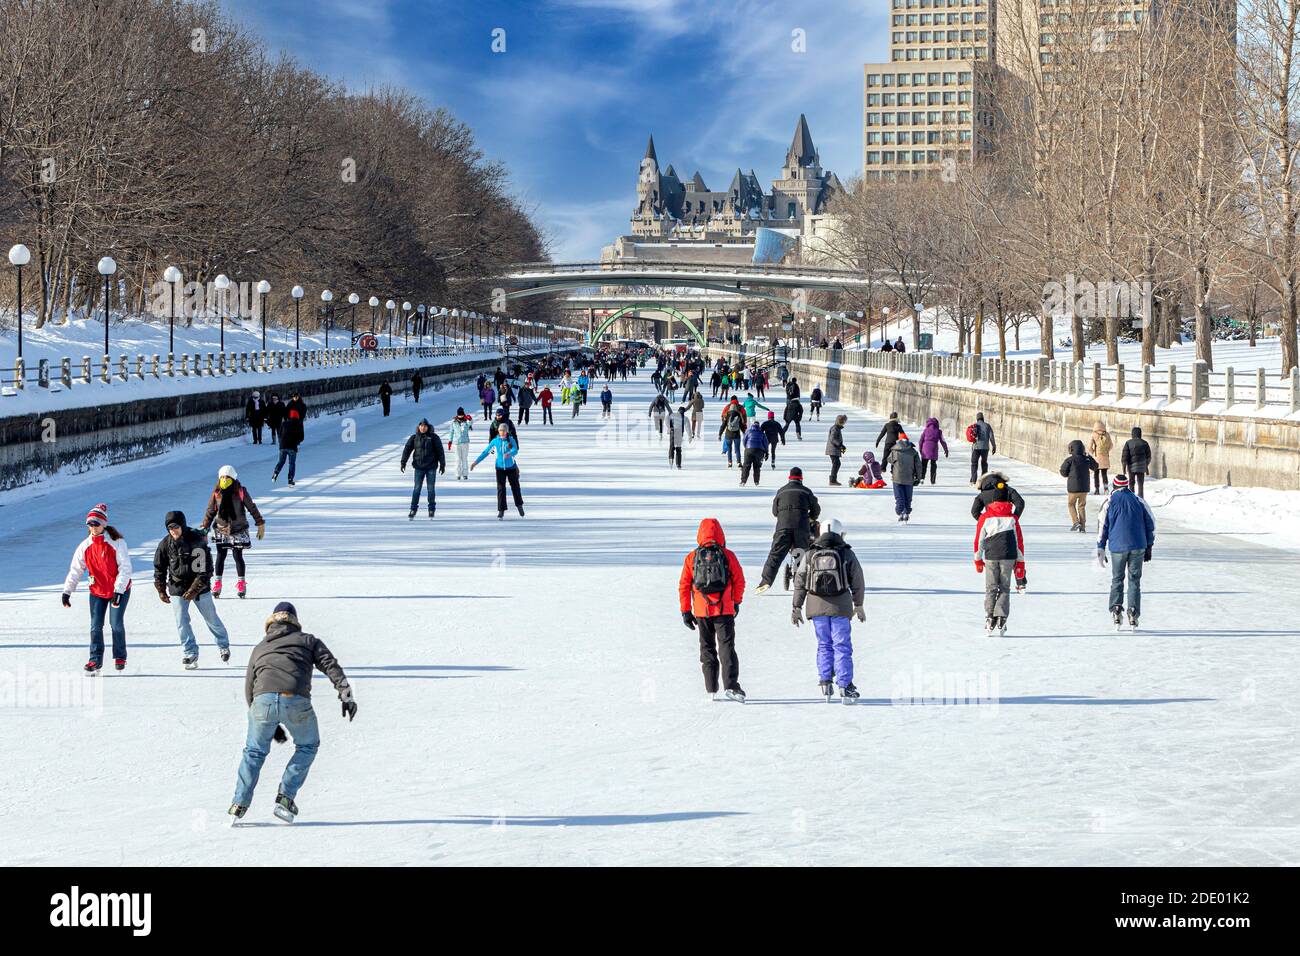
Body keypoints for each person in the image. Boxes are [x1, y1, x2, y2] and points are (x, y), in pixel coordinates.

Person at [228, 601, 356, 824]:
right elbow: (330, 665)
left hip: (262, 702)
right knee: (308, 745)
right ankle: (286, 797)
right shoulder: (308, 640)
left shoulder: (260, 646)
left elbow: (249, 685)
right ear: (294, 621)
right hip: (294, 699)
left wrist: (265, 717)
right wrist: (345, 693)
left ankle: (239, 803)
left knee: (254, 752)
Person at [791, 517, 865, 702]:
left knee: (824, 645)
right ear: (840, 534)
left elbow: (799, 582)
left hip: (816, 608)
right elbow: (858, 581)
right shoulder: (847, 553)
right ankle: (845, 686)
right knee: (842, 646)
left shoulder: (809, 554)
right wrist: (859, 604)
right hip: (841, 607)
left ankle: (825, 683)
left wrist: (796, 607)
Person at [678, 518, 746, 702]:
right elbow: (739, 580)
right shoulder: (727, 555)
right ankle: (731, 686)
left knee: (707, 648)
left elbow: (684, 585)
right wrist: (736, 602)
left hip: (701, 612)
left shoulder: (692, 557)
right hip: (724, 610)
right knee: (727, 647)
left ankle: (711, 688)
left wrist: (686, 611)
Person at [153, 510, 230, 669]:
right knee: (181, 621)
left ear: (182, 525)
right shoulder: (165, 544)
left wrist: (194, 589)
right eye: (170, 528)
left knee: (211, 618)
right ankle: (190, 652)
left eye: (176, 527)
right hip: (177, 587)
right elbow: (159, 569)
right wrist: (161, 589)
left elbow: (205, 570)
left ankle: (223, 645)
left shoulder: (196, 541)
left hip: (199, 587)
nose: (173, 531)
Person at [62, 503, 133, 673]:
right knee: (95, 626)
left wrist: (118, 590)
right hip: (97, 591)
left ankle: (120, 656)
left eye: (96, 523)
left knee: (115, 624)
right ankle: (95, 660)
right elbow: (75, 570)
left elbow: (126, 568)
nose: (93, 527)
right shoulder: (85, 546)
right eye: (90, 524)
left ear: (104, 524)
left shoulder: (117, 543)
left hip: (119, 590)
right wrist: (67, 591)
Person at [1097, 474, 1156, 629]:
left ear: (1114, 486)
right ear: (1128, 486)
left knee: (1117, 579)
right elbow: (1151, 523)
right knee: (1134, 580)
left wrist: (1100, 547)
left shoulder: (1109, 501)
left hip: (1117, 547)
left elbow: (1102, 526)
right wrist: (1149, 545)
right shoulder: (1139, 500)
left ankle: (1116, 609)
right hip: (1138, 546)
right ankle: (1133, 612)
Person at [199, 465, 266, 598]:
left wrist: (260, 523)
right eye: (222, 477)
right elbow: (210, 511)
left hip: (238, 529)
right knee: (220, 556)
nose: (224, 479)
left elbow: (252, 507)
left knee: (237, 556)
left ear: (233, 478)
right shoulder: (217, 492)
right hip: (221, 529)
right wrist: (205, 528)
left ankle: (241, 583)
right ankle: (217, 583)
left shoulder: (241, 491)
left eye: (227, 477)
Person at [973, 477, 1027, 636]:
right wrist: (1021, 563)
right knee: (1004, 588)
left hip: (990, 557)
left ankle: (990, 617)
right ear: (1007, 501)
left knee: (990, 588)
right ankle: (1001, 617)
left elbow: (979, 540)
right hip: (1009, 556)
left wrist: (978, 559)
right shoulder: (1013, 518)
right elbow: (1019, 543)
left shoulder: (985, 518)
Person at [756, 466, 821, 592]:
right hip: (801, 527)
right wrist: (811, 518)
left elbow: (775, 512)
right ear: (801, 479)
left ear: (789, 478)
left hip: (782, 527)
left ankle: (765, 581)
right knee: (800, 555)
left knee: (775, 554)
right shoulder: (806, 491)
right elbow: (816, 509)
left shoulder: (781, 491)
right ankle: (799, 582)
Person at [472, 423, 524, 519]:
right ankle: (501, 510)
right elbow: (485, 452)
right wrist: (475, 462)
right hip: (499, 468)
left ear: (507, 431)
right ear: (498, 431)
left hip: (511, 467)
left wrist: (509, 453)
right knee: (501, 489)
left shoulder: (511, 440)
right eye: (500, 430)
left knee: (515, 487)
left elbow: (515, 450)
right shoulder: (495, 441)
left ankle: (519, 505)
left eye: (504, 430)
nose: (502, 432)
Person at [401, 418, 446, 519]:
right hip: (419, 467)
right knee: (417, 489)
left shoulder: (434, 437)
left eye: (425, 426)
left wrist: (442, 464)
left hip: (431, 467)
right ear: (418, 427)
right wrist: (403, 462)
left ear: (428, 427)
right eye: (421, 426)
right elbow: (407, 450)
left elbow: (440, 451)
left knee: (431, 489)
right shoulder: (414, 438)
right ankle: (413, 509)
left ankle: (431, 509)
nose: (423, 428)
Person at [1059, 439, 1099, 532]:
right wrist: (1089, 457)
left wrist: (1069, 474)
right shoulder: (1086, 459)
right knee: (1081, 506)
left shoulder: (1070, 460)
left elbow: (1063, 471)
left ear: (1072, 449)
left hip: (1073, 488)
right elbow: (1095, 467)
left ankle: (1076, 522)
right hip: (1084, 488)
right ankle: (1083, 527)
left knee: (1071, 504)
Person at [885, 436, 922, 522]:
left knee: (899, 496)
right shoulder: (913, 452)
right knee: (907, 497)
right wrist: (918, 478)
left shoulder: (895, 451)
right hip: (909, 478)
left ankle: (900, 511)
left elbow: (889, 460)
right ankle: (906, 512)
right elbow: (918, 466)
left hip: (897, 478)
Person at [273, 408, 303, 486]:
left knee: (281, 461)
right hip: (292, 447)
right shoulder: (299, 424)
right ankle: (290, 479)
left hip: (283, 446)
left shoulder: (284, 423)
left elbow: (279, 434)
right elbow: (301, 437)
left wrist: (281, 443)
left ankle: (275, 473)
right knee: (291, 463)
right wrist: (297, 442)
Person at [1121, 426, 1151, 498]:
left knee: (1131, 483)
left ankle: (1132, 497)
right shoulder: (1145, 443)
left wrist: (1124, 466)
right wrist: (1145, 464)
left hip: (1131, 467)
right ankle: (1141, 498)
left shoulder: (1128, 443)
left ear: (1132, 434)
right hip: (1141, 467)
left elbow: (1125, 456)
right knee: (1140, 484)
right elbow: (1149, 456)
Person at [918, 417, 949, 484]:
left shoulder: (925, 430)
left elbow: (921, 441)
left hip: (925, 449)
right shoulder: (939, 431)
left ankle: (922, 478)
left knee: (923, 465)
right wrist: (946, 450)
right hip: (934, 449)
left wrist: (920, 450)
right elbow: (943, 441)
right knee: (933, 465)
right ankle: (933, 480)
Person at [967, 412, 996, 485]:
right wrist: (994, 446)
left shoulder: (975, 426)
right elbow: (991, 437)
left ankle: (973, 480)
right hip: (985, 448)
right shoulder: (987, 426)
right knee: (984, 463)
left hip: (976, 447)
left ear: (977, 419)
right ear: (983, 418)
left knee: (974, 463)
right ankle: (984, 480)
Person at [740, 420, 769, 487]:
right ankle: (756, 481)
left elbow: (744, 441)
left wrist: (747, 447)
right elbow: (766, 444)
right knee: (757, 467)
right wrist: (766, 452)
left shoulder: (748, 432)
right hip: (759, 451)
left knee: (746, 466)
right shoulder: (762, 433)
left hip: (749, 450)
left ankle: (743, 481)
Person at [448, 408, 474, 480]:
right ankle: (458, 474)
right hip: (457, 443)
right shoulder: (454, 422)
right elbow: (451, 432)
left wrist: (470, 419)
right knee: (458, 459)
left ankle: (465, 474)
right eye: (459, 415)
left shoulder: (466, 422)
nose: (460, 416)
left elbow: (470, 423)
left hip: (465, 442)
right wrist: (450, 441)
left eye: (462, 415)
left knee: (464, 459)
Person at [1088, 420, 1113, 494]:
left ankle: (1097, 489)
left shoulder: (1093, 434)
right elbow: (1111, 445)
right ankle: (1106, 489)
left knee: (1096, 474)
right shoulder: (1107, 434)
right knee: (1104, 474)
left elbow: (1089, 447)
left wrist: (1093, 452)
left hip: (1097, 458)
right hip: (1105, 457)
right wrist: (1106, 451)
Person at [825, 414, 848, 485]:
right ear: (839, 421)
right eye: (843, 421)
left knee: (836, 464)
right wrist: (839, 444)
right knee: (837, 463)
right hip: (832, 449)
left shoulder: (837, 428)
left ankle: (833, 479)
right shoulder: (835, 428)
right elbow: (832, 439)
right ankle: (832, 480)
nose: (844, 423)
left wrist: (841, 446)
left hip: (835, 449)